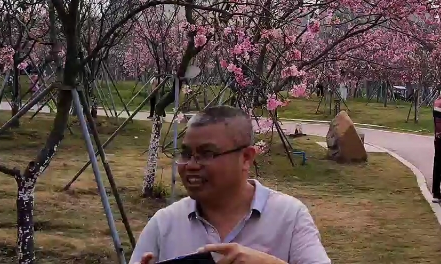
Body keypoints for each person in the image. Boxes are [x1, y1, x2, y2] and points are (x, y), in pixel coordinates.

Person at [130, 106, 330, 264]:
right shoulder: (165, 224)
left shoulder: (290, 217)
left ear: (246, 158)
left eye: (207, 154)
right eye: (186, 154)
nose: (190, 165)